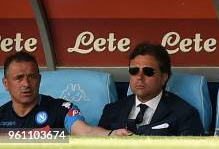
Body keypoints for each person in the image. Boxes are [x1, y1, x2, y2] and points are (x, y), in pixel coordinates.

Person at [0, 52, 130, 136]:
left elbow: (85, 131)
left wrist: (111, 134)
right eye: (19, 78)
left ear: (39, 80)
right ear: (6, 83)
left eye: (32, 77)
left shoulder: (61, 108)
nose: (26, 84)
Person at [98, 43, 204, 136]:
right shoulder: (112, 110)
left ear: (163, 78)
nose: (139, 77)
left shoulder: (185, 114)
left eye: (148, 71)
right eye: (134, 71)